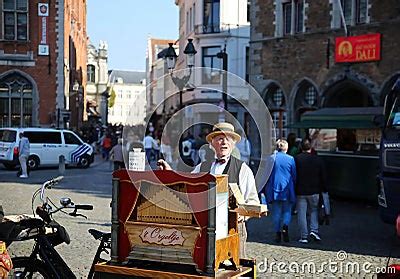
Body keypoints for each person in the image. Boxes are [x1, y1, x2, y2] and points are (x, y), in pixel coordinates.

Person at [158, 122, 260, 258]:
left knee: (235, 269)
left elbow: (253, 201)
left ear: (233, 143)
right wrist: (169, 173)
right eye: (219, 138)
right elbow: (186, 184)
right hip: (207, 230)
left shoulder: (243, 169)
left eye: (228, 139)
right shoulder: (203, 166)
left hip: (233, 230)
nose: (224, 142)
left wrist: (242, 214)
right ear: (212, 143)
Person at [295, 138, 327, 243]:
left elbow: (293, 175)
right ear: (311, 147)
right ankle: (314, 230)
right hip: (315, 190)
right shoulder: (318, 159)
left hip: (300, 190)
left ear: (301, 147)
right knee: (314, 211)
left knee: (302, 213)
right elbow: (323, 176)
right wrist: (324, 189)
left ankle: (304, 236)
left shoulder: (296, 159)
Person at [264, 139, 296, 243]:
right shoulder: (291, 159)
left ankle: (277, 233)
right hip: (287, 188)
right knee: (287, 211)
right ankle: (285, 227)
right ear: (286, 148)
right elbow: (294, 175)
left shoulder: (271, 158)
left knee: (276, 212)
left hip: (274, 188)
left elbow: (266, 175)